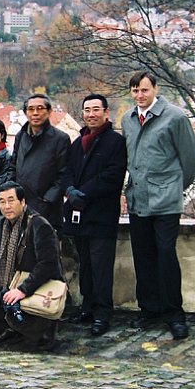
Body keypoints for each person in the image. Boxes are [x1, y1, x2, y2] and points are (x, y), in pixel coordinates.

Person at [122, 72, 195, 340]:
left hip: (165, 200)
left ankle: (174, 313)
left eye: (144, 90)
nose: (139, 95)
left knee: (166, 254)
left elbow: (189, 159)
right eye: (135, 91)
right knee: (143, 255)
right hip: (138, 199)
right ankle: (149, 309)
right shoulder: (128, 119)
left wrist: (175, 187)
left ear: (155, 89)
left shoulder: (175, 117)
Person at [0, 183, 63, 351]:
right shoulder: (0, 224)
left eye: (11, 200)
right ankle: (5, 331)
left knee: (32, 339)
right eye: (2, 202)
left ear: (22, 201)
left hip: (34, 282)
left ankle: (37, 333)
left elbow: (48, 264)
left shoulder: (39, 224)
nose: (7, 206)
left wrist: (23, 289)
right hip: (10, 279)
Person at [61, 94, 127, 336]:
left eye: (96, 109)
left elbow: (112, 176)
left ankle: (103, 313)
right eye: (87, 110)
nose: (91, 114)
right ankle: (87, 307)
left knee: (101, 267)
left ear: (105, 112)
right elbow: (66, 171)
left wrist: (83, 194)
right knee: (86, 264)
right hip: (78, 214)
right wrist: (69, 190)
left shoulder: (115, 142)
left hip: (101, 215)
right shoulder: (78, 143)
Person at [10, 94, 71, 230]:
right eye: (31, 109)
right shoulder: (21, 136)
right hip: (21, 206)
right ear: (25, 113)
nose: (35, 113)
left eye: (40, 108)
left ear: (49, 112)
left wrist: (47, 200)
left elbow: (63, 174)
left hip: (48, 209)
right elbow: (13, 166)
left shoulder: (60, 139)